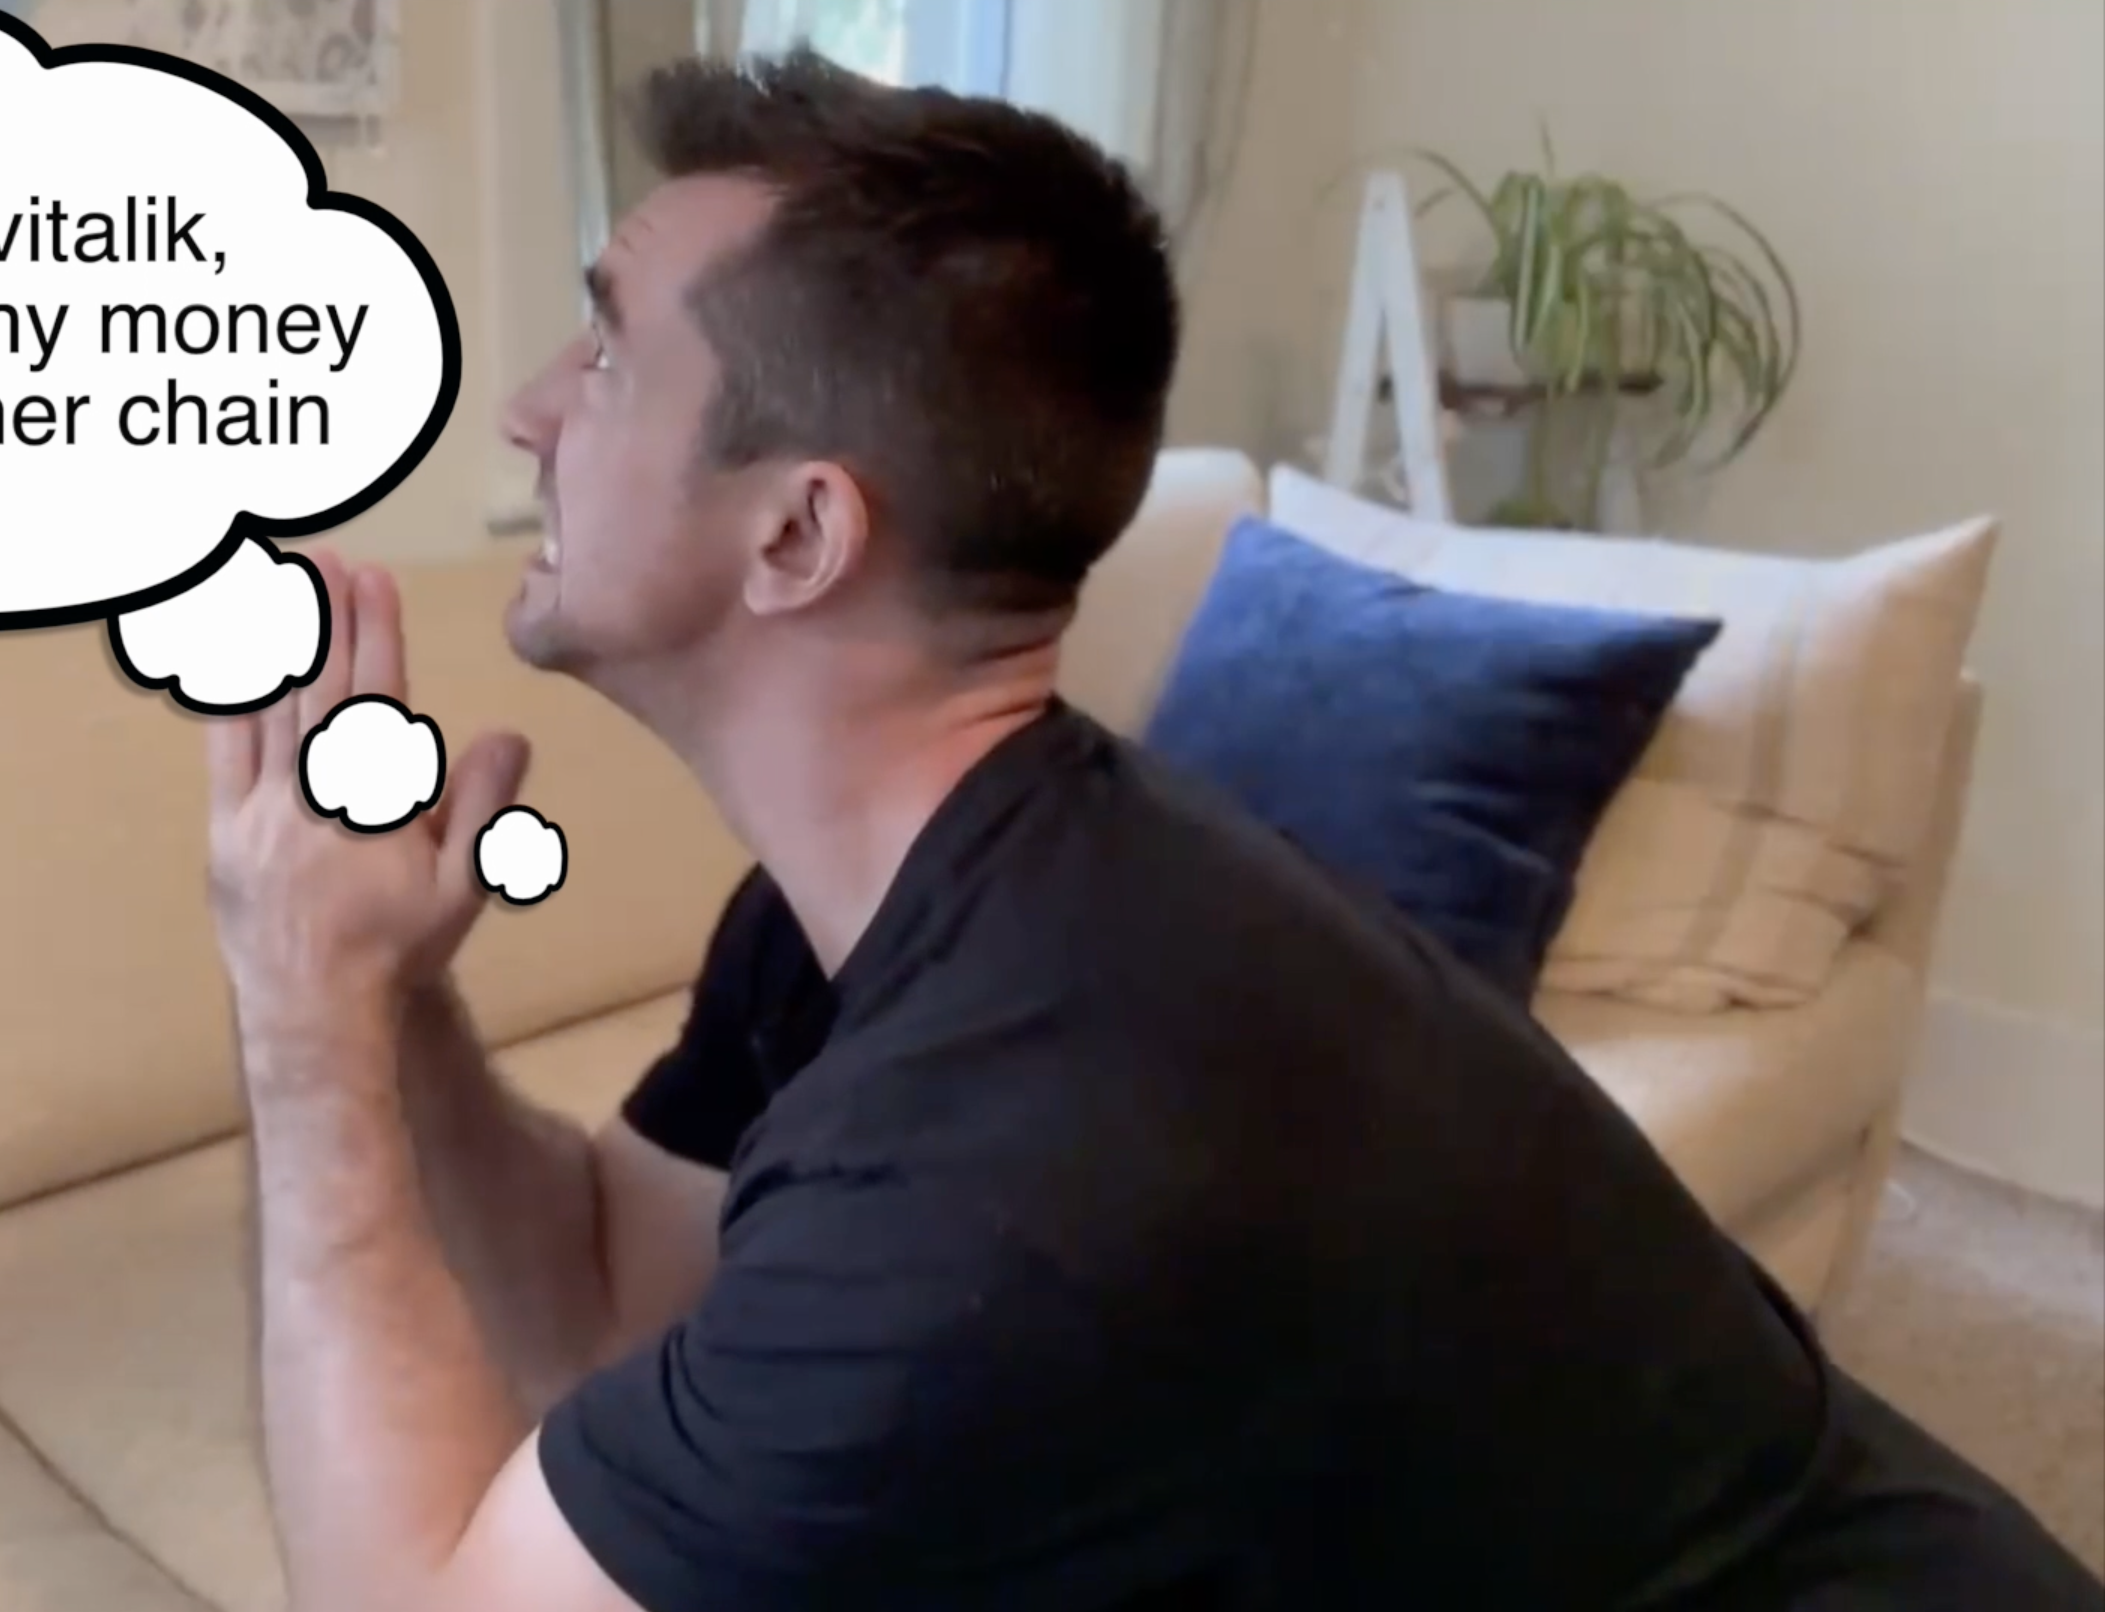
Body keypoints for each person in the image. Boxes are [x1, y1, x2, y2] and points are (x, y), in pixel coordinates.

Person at [199, 47, 2105, 1612]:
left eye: (606, 349)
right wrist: (392, 998)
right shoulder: (883, 917)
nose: (530, 411)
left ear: (796, 531)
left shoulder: (1011, 1142)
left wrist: (298, 1031)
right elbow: (602, 1305)